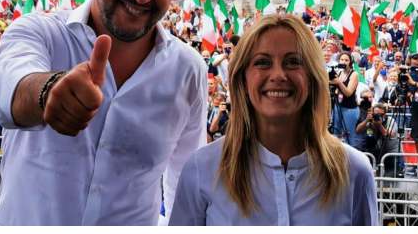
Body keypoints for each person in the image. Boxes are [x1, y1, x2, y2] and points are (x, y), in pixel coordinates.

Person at [0, 0, 207, 225]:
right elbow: (10, 85)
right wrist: (49, 93)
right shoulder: (39, 32)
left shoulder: (188, 70)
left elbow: (187, 185)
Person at [169, 14, 377, 225]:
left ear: (313, 76)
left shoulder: (355, 172)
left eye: (293, 62)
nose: (278, 75)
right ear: (242, 78)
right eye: (263, 62)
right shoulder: (201, 169)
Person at [356, 103, 399, 176]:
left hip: (389, 154)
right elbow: (358, 130)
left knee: (388, 179)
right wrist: (366, 120)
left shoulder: (390, 121)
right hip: (376, 152)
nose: (377, 116)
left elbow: (390, 135)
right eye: (376, 114)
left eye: (380, 114)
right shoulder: (371, 121)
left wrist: (379, 125)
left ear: (385, 115)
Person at [329, 51, 361, 147]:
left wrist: (338, 83)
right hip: (338, 106)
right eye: (342, 59)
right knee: (336, 133)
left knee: (349, 135)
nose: (343, 62)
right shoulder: (338, 72)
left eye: (346, 60)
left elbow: (348, 93)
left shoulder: (354, 74)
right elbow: (335, 91)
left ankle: (351, 159)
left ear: (350, 62)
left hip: (350, 109)